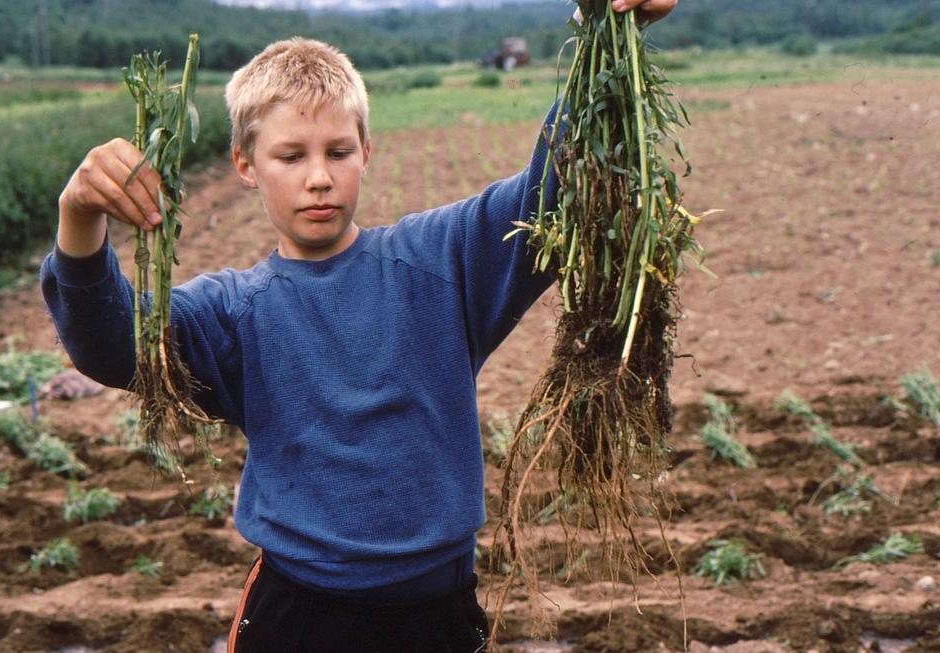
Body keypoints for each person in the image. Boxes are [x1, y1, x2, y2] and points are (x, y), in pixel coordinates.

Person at [41, 1, 678, 650]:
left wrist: (608, 27)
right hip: (299, 617)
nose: (319, 177)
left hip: (437, 616)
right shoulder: (234, 312)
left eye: (338, 151)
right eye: (290, 155)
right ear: (245, 164)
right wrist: (79, 218)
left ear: (366, 151)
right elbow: (114, 346)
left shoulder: (441, 262)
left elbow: (555, 191)